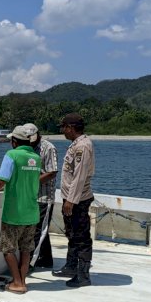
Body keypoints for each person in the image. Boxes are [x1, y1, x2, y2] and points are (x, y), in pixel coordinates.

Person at [0, 125, 41, 294]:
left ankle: (17, 282)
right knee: (26, 248)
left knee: (7, 248)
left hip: (14, 212)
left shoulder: (12, 155)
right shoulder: (36, 158)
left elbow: (1, 180)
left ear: (14, 141)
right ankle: (22, 281)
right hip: (32, 211)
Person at [52, 113, 95, 287]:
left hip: (77, 200)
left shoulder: (83, 146)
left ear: (70, 127)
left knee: (81, 237)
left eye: (63, 127)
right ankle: (71, 267)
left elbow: (80, 176)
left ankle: (83, 276)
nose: (63, 131)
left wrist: (71, 200)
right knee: (72, 234)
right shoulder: (75, 145)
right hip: (70, 198)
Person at [22, 123, 58, 269]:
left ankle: (30, 262)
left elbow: (52, 172)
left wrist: (31, 182)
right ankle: (46, 259)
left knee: (37, 230)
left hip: (44, 196)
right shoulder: (26, 147)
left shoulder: (48, 148)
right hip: (30, 196)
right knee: (41, 229)